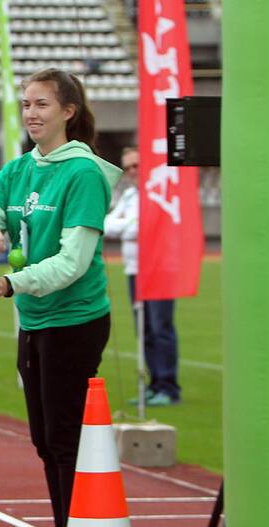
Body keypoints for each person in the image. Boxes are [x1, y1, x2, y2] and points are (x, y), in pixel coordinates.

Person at [0, 69, 121, 527]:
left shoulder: (83, 173)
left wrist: (12, 284)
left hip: (75, 320)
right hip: (34, 319)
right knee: (44, 441)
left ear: (69, 111)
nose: (31, 113)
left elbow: (74, 261)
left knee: (63, 440)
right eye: (26, 104)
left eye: (42, 104)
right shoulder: (17, 170)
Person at [104, 147, 181, 406]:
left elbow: (146, 227)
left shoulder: (159, 191)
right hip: (134, 269)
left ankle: (169, 386)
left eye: (136, 165)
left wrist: (127, 225)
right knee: (144, 329)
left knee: (161, 328)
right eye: (127, 168)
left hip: (158, 269)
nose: (132, 172)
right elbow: (108, 225)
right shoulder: (128, 195)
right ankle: (154, 382)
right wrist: (129, 224)